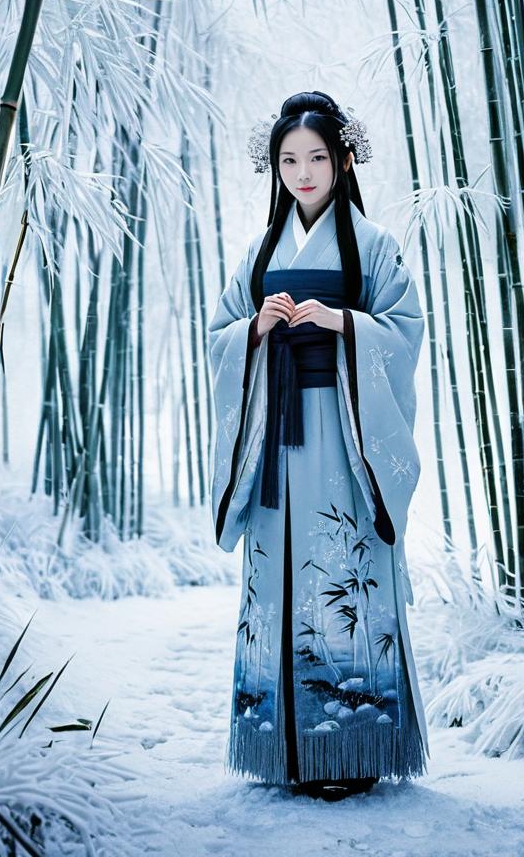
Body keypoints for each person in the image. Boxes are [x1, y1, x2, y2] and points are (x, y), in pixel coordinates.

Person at [207, 90, 429, 801]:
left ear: (342, 161)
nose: (302, 172)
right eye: (288, 160)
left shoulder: (375, 246)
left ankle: (353, 747)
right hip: (277, 433)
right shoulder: (260, 251)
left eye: (316, 158)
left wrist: (344, 323)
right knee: (277, 581)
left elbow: (405, 330)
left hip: (343, 434)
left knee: (344, 574)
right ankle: (283, 749)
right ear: (274, 168)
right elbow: (219, 334)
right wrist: (256, 329)